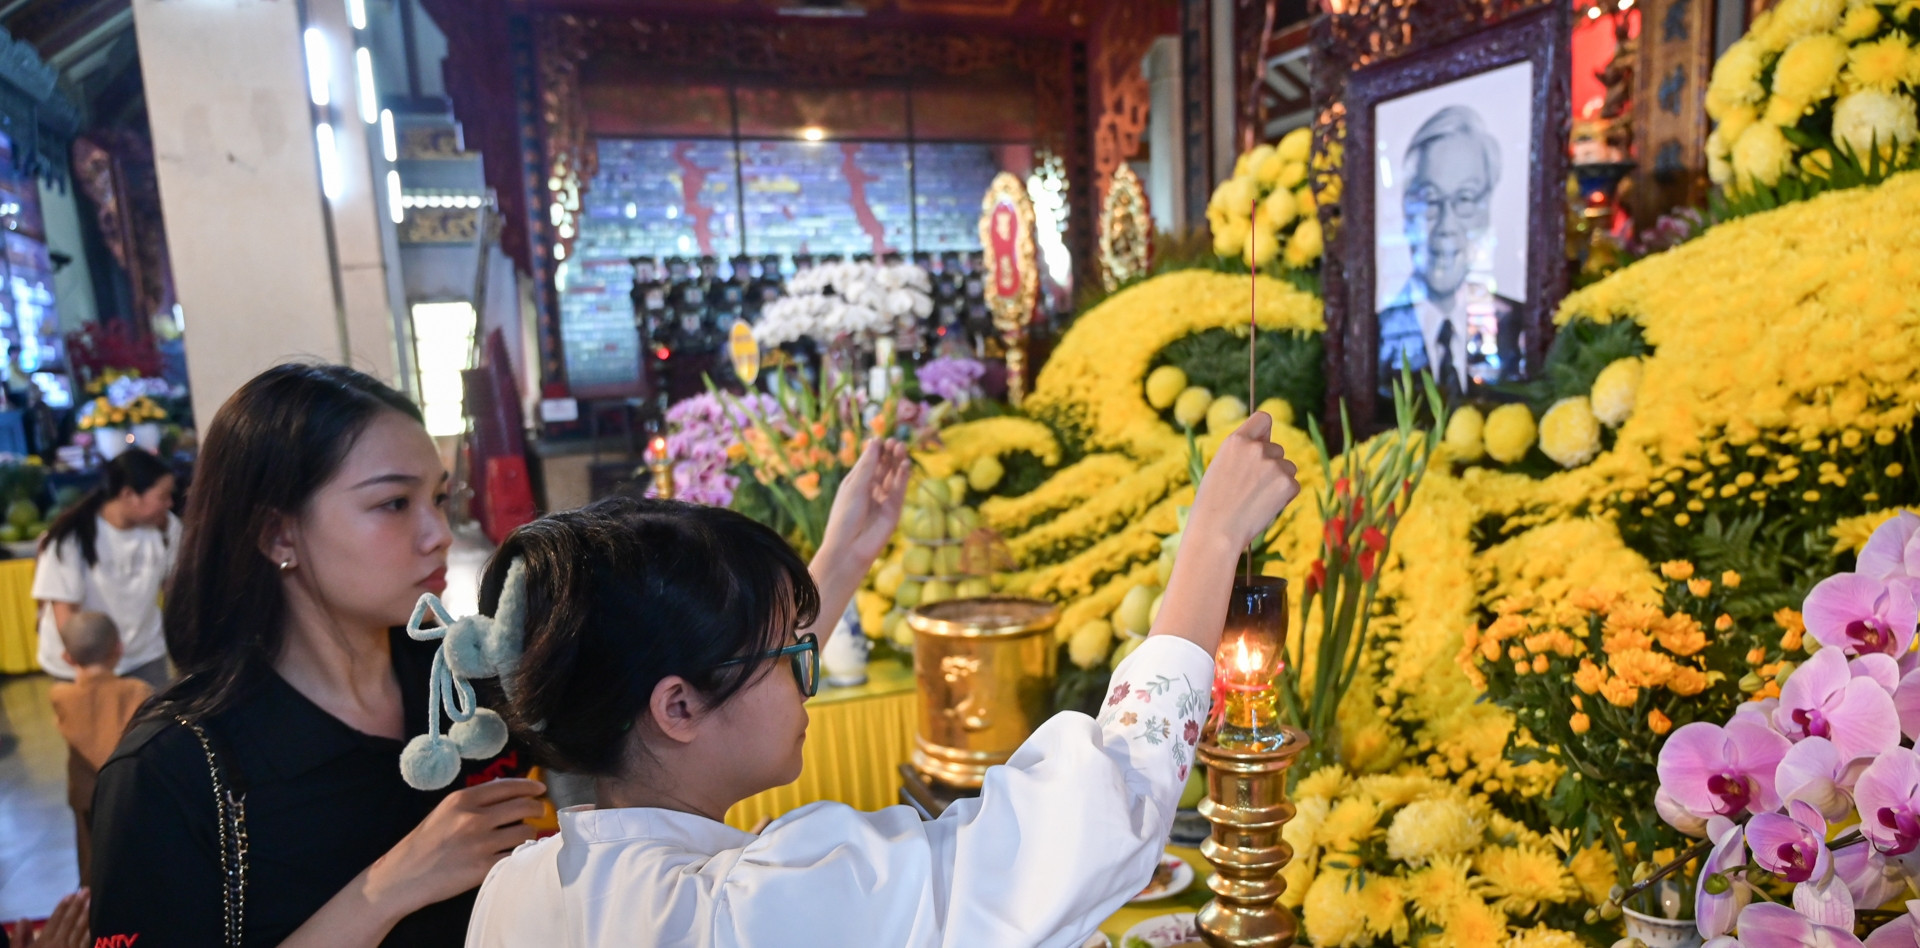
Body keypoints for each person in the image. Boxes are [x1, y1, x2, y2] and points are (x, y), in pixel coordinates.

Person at [86, 362, 908, 948]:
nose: (437, 533)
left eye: (439, 498)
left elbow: (708, 679)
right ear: (277, 533)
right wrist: (387, 889)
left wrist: (842, 555)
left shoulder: (467, 688)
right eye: (392, 504)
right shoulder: (174, 770)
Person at [462, 413, 1300, 947]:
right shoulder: (755, 913)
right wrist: (1211, 543)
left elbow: (735, 685)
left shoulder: (516, 891)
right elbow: (1085, 823)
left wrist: (844, 557)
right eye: (791, 656)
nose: (809, 675)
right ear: (676, 705)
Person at [1376, 105, 1524, 399]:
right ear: (1405, 210)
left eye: (1465, 199)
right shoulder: (1372, 335)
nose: (1446, 225)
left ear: (1486, 213)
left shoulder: (1519, 325)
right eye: (1429, 199)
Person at [32, 448, 179, 689]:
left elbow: (173, 587)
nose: (169, 504)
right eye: (162, 497)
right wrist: (90, 668)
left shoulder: (166, 527)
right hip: (83, 663)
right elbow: (64, 613)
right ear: (129, 494)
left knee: (155, 726)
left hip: (143, 655)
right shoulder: (72, 537)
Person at [49, 611, 153, 886]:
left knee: (92, 861)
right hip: (131, 793)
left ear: (67, 659)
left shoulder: (61, 697)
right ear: (119, 648)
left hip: (86, 797)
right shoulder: (137, 691)